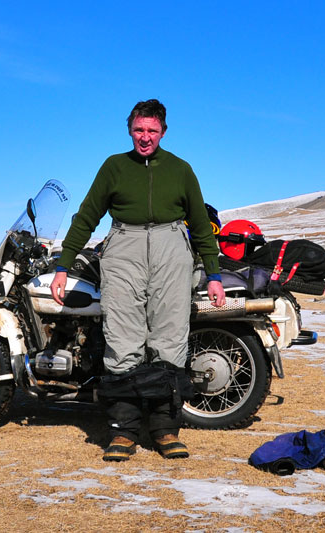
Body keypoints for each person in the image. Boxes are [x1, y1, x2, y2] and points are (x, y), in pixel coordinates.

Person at [50, 99, 225, 461]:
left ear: (163, 131)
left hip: (171, 249)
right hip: (123, 248)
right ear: (130, 130)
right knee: (122, 338)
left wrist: (213, 274)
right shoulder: (114, 167)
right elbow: (86, 217)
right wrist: (64, 265)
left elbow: (199, 225)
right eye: (139, 130)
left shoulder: (181, 170)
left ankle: (164, 429)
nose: (145, 137)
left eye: (152, 130)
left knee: (169, 339)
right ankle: (124, 430)